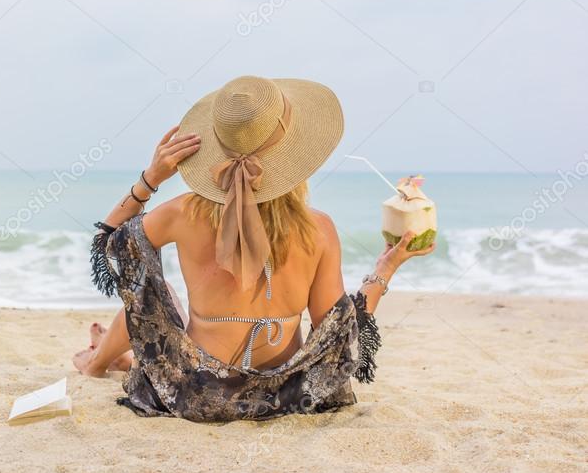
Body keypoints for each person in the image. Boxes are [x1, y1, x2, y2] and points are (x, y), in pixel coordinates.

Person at [74, 76, 434, 421]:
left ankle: (98, 363)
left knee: (156, 292)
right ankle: (113, 358)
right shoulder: (318, 229)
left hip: (197, 394)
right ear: (293, 156)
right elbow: (336, 333)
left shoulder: (182, 213)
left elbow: (111, 244)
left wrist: (150, 178)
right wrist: (386, 267)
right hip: (284, 397)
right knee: (158, 297)